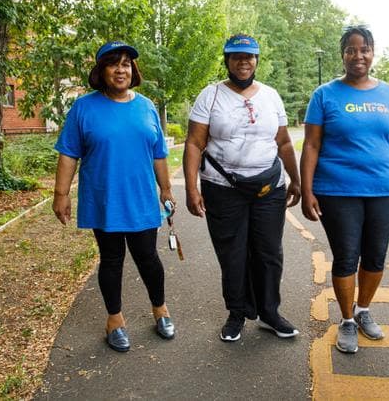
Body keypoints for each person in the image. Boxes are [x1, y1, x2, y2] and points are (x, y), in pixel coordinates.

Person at [300, 26, 389, 354]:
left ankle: (363, 309)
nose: (359, 56)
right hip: (337, 190)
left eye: (365, 49)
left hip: (383, 189)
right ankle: (346, 320)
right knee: (346, 256)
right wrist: (308, 190)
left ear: (373, 53)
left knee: (375, 256)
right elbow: (311, 145)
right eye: (352, 50)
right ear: (343, 54)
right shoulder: (325, 95)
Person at [53, 41, 176, 352]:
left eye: (126, 64)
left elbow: (159, 154)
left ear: (133, 70)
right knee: (111, 260)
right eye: (113, 64)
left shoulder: (146, 106)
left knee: (148, 258)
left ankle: (160, 310)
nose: (121, 69)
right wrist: (61, 194)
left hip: (141, 198)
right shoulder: (84, 107)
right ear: (101, 71)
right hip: (103, 198)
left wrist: (166, 189)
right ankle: (115, 320)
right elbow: (68, 154)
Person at [183, 34, 301, 342]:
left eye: (249, 57)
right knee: (233, 254)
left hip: (268, 187)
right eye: (236, 56)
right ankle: (237, 313)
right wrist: (192, 188)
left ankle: (270, 312)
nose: (243, 62)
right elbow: (195, 143)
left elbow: (284, 142)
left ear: (257, 61)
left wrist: (297, 180)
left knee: (269, 252)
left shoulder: (271, 96)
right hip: (222, 187)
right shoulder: (211, 95)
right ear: (227, 61)